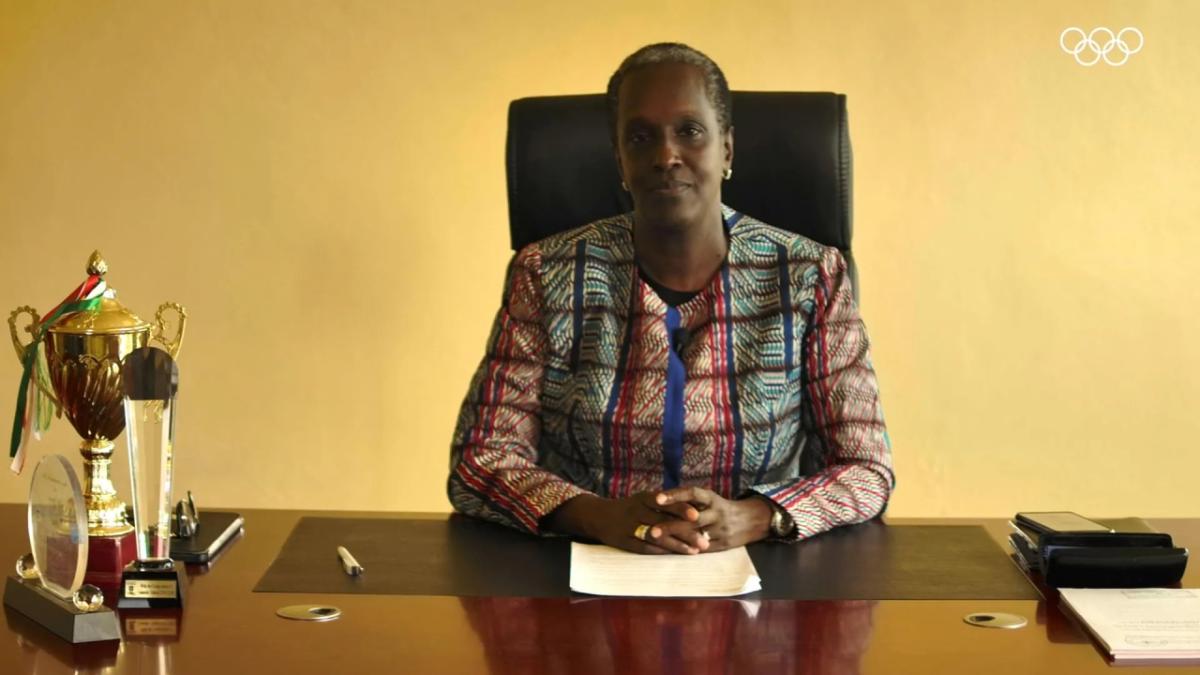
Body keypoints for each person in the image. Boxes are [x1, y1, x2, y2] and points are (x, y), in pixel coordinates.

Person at [449, 43, 893, 555]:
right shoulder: (548, 274)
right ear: (620, 160)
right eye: (641, 138)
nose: (665, 156)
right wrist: (600, 517)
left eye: (690, 131)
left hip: (763, 582)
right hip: (586, 571)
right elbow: (481, 460)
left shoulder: (808, 275)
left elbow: (866, 469)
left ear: (726, 149)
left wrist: (753, 516)